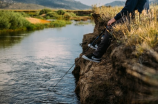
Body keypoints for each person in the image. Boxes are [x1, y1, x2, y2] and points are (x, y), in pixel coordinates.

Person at [82, 0, 149, 63]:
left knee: (110, 28)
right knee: (113, 24)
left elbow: (128, 9)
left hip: (135, 18)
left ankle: (96, 56)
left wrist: (114, 19)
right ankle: (100, 44)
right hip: (138, 17)